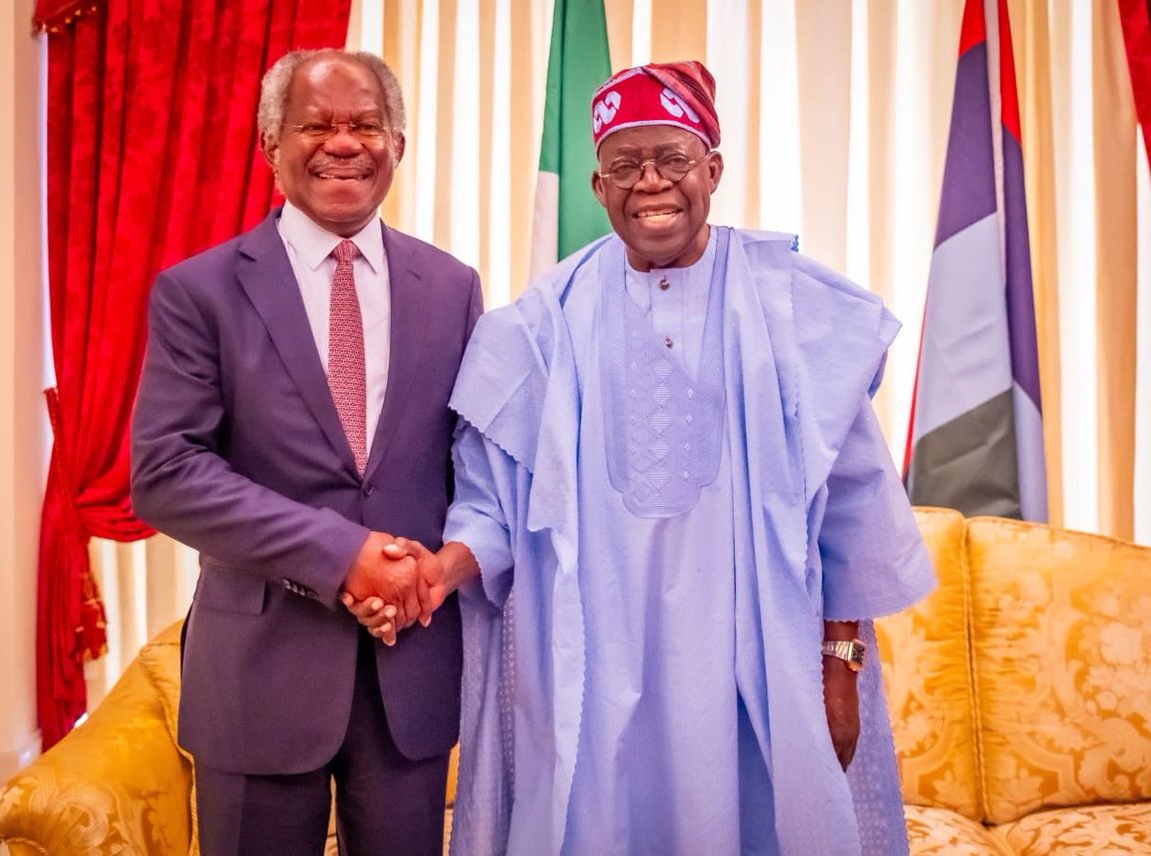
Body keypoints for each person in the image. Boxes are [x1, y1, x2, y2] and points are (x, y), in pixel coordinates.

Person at [355, 60, 935, 854]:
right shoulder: (543, 324)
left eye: (674, 159)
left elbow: (853, 504)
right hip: (593, 666)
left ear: (714, 170)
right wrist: (437, 571)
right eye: (626, 166)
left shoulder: (791, 305)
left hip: (758, 659)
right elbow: (491, 503)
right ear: (599, 187)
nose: (651, 183)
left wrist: (840, 666)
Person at [131, 48, 482, 856]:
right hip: (260, 672)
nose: (343, 142)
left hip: (410, 671)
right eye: (316, 124)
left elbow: (473, 463)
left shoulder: (453, 287)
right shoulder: (200, 291)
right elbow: (166, 473)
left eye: (364, 124)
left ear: (397, 141)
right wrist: (342, 554)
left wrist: (436, 570)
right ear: (270, 145)